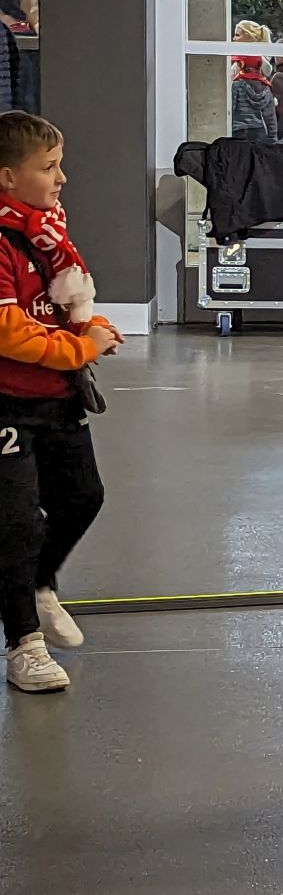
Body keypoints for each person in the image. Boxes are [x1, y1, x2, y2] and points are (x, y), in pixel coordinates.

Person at [0, 112, 121, 693]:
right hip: (7, 406)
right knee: (17, 523)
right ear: (6, 177)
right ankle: (24, 642)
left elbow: (70, 301)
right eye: (48, 168)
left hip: (58, 399)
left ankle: (38, 583)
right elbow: (8, 330)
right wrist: (78, 347)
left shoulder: (51, 233)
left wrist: (95, 328)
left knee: (83, 496)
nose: (62, 177)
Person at [229, 20, 279, 141]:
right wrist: (273, 139)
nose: (234, 39)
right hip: (261, 136)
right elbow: (271, 118)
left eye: (237, 35)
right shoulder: (266, 88)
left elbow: (229, 110)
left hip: (238, 135)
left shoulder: (237, 86)